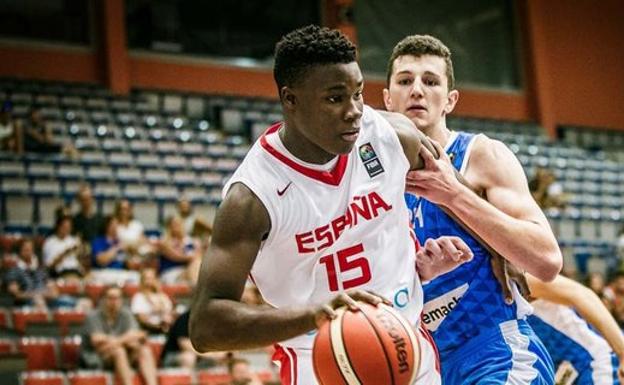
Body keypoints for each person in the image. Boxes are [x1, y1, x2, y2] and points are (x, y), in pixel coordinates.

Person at [190, 25, 474, 385]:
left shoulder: (390, 136)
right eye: (334, 98)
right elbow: (205, 326)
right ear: (290, 99)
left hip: (404, 343)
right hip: (319, 358)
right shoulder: (252, 198)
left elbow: (462, 197)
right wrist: (316, 315)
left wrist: (504, 255)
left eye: (357, 93)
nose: (354, 111)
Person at [383, 34, 563, 384]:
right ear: (387, 99)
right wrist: (417, 272)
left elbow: (546, 260)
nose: (417, 90)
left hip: (494, 352)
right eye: (405, 81)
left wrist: (454, 195)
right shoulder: (369, 179)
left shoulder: (481, 155)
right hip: (423, 366)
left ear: (450, 100)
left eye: (430, 81)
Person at [527, 274, 624, 385]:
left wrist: (622, 353)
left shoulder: (516, 277)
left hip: (596, 364)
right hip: (565, 375)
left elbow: (581, 295)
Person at [80, 286, 158, 385]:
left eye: (118, 298)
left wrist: (114, 341)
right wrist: (125, 339)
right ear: (103, 299)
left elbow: (138, 335)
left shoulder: (126, 314)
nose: (114, 301)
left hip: (122, 356)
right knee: (119, 351)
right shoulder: (93, 316)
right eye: (111, 298)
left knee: (144, 350)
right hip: (97, 358)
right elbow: (96, 341)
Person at [161, 310, 229, 369]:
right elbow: (185, 345)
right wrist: (211, 355)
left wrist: (219, 354)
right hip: (173, 356)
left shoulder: (210, 321)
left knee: (222, 357)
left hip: (200, 356)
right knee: (188, 357)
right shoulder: (185, 318)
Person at [154, 216, 202, 284]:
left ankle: (196, 286)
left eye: (180, 224)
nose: (178, 226)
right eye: (175, 224)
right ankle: (197, 288)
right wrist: (190, 257)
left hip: (188, 270)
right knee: (196, 265)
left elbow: (199, 255)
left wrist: (197, 250)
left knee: (197, 264)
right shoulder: (164, 241)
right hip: (171, 272)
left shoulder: (191, 240)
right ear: (169, 226)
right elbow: (176, 256)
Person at [131, 268, 175, 333]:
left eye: (152, 278)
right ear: (142, 281)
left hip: (166, 328)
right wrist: (154, 312)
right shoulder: (138, 297)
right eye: (147, 278)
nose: (149, 281)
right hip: (149, 330)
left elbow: (170, 313)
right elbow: (141, 319)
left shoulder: (162, 296)